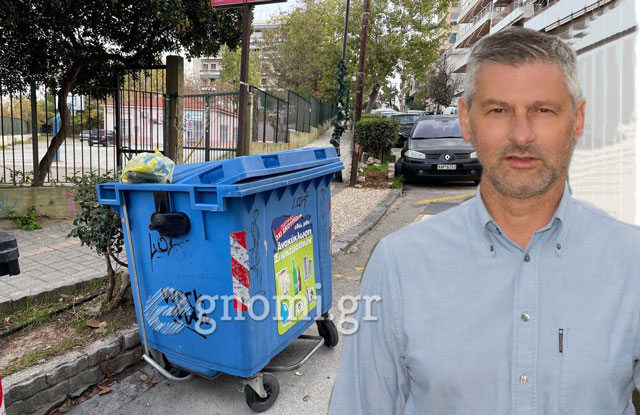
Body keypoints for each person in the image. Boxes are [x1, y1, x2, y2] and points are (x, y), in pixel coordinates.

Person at [328, 26, 640, 414]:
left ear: (577, 120)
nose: (521, 135)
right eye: (498, 110)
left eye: (543, 110)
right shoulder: (398, 266)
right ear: (466, 120)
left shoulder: (631, 262)